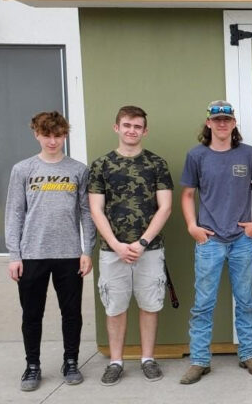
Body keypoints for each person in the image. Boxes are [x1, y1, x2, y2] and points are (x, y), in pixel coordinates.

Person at [179, 101, 252, 384]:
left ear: (233, 124)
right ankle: (199, 360)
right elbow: (186, 196)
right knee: (203, 303)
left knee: (245, 300)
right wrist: (192, 226)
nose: (221, 124)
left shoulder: (248, 155)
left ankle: (248, 354)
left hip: (241, 239)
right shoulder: (196, 156)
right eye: (216, 120)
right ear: (208, 123)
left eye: (226, 120)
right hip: (209, 241)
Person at [5, 111, 96, 392]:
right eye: (47, 135)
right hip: (32, 254)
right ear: (37, 134)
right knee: (31, 314)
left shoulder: (78, 170)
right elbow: (14, 213)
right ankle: (32, 366)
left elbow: (86, 213)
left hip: (69, 254)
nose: (53, 141)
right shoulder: (23, 169)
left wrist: (86, 250)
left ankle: (71, 361)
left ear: (65, 135)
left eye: (58, 135)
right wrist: (14, 255)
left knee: (71, 313)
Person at [89, 106, 174, 386]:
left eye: (137, 126)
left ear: (144, 131)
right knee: (115, 307)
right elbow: (96, 210)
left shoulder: (156, 164)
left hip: (149, 249)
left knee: (150, 305)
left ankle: (148, 359)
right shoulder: (101, 165)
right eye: (127, 125)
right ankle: (115, 361)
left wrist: (142, 242)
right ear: (117, 127)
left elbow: (165, 207)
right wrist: (115, 244)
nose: (131, 131)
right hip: (111, 251)